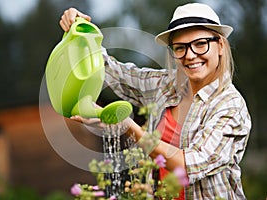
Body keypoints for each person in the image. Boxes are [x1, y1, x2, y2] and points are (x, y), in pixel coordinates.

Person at [59, 3, 251, 200]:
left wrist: (132, 129)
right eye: (180, 48)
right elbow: (114, 72)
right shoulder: (166, 86)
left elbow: (187, 166)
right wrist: (82, 31)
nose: (190, 55)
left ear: (220, 45)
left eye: (201, 44)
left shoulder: (230, 104)